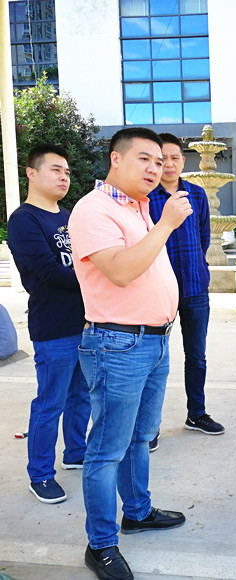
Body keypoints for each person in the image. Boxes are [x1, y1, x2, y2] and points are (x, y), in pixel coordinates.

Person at [69, 128, 191, 580]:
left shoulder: (138, 208)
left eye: (159, 162)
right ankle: (100, 544)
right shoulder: (93, 209)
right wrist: (166, 225)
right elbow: (120, 272)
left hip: (154, 341)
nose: (155, 169)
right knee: (107, 449)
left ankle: (137, 511)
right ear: (115, 160)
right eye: (144, 159)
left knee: (141, 437)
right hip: (117, 345)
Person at [7, 144, 90, 504]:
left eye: (67, 172)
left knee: (81, 396)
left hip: (86, 322)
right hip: (53, 326)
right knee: (50, 402)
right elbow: (45, 272)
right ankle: (40, 474)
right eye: (56, 170)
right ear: (32, 173)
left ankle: (76, 452)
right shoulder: (24, 220)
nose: (64, 177)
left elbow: (87, 259)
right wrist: (97, 278)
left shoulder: (69, 216)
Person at [148, 133, 223, 449]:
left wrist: (197, 268)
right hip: (157, 290)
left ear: (183, 160)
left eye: (174, 157)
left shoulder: (196, 194)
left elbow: (203, 236)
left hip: (194, 287)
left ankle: (197, 414)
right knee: (153, 359)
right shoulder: (146, 196)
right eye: (162, 158)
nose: (169, 164)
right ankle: (149, 427)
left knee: (196, 355)